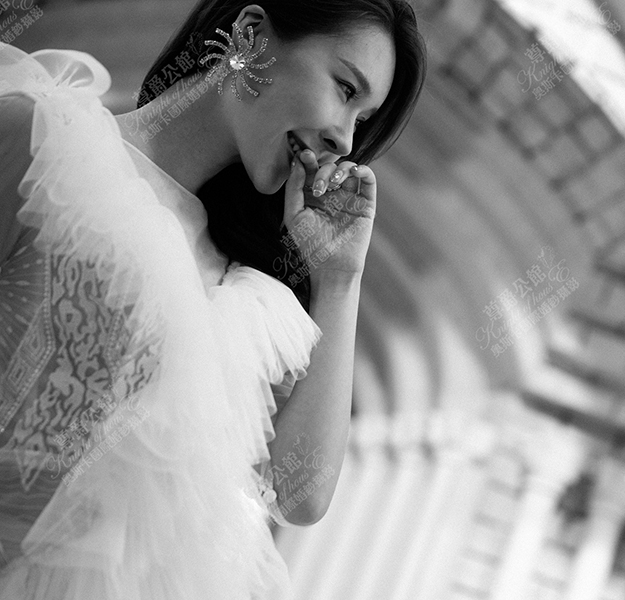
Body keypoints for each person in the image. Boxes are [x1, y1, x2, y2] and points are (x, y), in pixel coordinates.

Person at [0, 0, 425, 597]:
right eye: (345, 88)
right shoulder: (42, 139)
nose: (344, 137)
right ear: (251, 35)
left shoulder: (242, 293)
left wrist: (339, 278)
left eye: (363, 119)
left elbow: (299, 496)